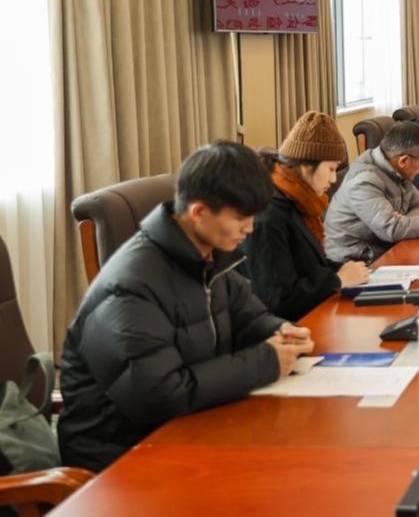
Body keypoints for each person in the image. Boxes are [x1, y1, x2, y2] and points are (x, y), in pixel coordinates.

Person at [57, 142, 315, 471]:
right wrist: (267, 361)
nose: (250, 229)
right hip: (121, 456)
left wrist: (281, 330)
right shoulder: (129, 286)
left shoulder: (208, 255)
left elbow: (248, 317)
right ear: (198, 212)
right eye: (241, 217)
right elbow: (159, 395)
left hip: (190, 427)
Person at [242, 111, 371, 322]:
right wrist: (338, 280)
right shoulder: (268, 215)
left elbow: (308, 264)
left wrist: (344, 269)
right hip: (285, 326)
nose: (333, 179)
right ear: (305, 165)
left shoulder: (301, 200)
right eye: (331, 169)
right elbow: (278, 299)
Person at [325, 121, 419, 263]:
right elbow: (391, 229)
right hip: (358, 261)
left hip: (387, 248)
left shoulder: (398, 170)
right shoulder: (364, 181)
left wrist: (404, 223)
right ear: (403, 161)